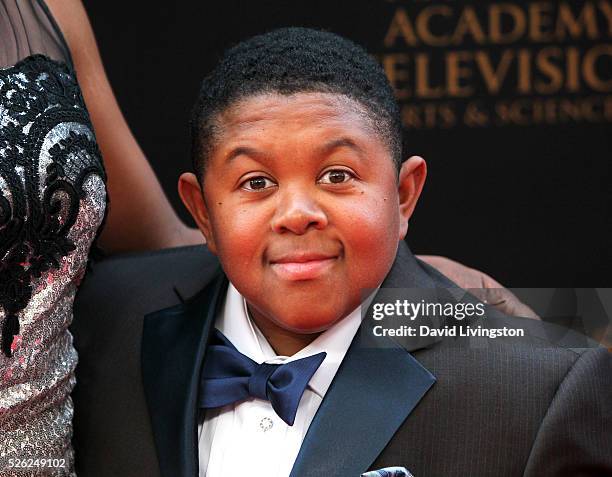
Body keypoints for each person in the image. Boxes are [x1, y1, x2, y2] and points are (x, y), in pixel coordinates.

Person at [0, 1, 531, 474]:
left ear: (405, 194)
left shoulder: (525, 383)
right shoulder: (116, 345)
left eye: (337, 176)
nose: (297, 214)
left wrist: (411, 282)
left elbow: (161, 236)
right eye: (258, 182)